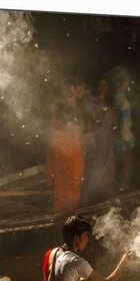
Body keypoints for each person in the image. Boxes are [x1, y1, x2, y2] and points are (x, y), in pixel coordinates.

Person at [46, 80, 85, 214]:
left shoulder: (71, 115)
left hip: (68, 156)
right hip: (64, 154)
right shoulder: (59, 114)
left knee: (67, 201)